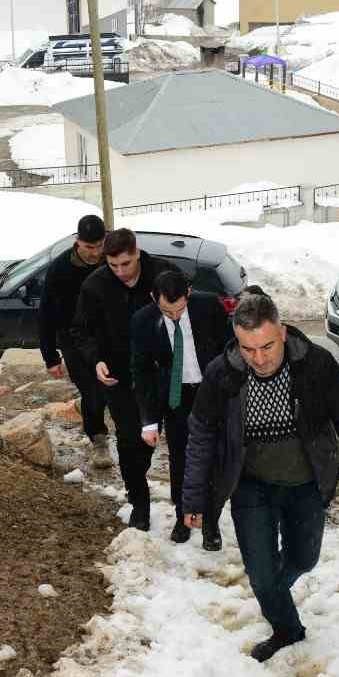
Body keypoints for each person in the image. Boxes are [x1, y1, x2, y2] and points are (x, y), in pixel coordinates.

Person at [184, 289, 339, 661]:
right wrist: (194, 498)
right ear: (237, 340)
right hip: (250, 485)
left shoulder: (316, 364)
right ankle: (287, 629)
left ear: (281, 332)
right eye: (248, 349)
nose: (259, 359)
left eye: (266, 346)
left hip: (305, 483)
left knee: (303, 559)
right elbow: (200, 435)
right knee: (262, 577)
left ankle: (271, 585)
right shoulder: (223, 373)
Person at [73, 228, 177, 530]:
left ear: (137, 253)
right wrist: (96, 360)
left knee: (179, 442)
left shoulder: (163, 273)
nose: (120, 272)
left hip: (164, 374)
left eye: (126, 264)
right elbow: (81, 330)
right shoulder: (95, 285)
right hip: (120, 378)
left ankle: (184, 507)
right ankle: (139, 503)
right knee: (131, 444)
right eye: (113, 265)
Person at [128, 270, 230, 549]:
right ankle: (183, 515)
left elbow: (230, 349)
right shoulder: (143, 321)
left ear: (189, 294)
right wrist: (148, 420)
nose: (174, 316)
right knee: (181, 459)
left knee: (213, 459)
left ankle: (210, 521)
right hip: (176, 398)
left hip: (211, 393)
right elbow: (142, 372)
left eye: (180, 309)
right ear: (153, 299)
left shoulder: (209, 307)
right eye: (167, 311)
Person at [37, 214, 112, 468]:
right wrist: (50, 356)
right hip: (72, 337)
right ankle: (98, 438)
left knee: (112, 387)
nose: (95, 253)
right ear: (78, 242)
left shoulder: (112, 260)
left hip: (106, 335)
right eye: (89, 248)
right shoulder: (60, 269)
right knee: (93, 390)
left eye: (99, 246)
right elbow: (46, 313)